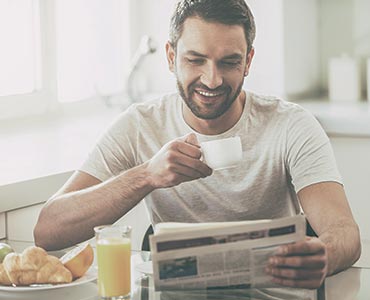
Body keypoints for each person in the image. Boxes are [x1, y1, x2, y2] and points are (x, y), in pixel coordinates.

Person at [34, 0, 361, 289]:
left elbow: (344, 232)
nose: (212, 80)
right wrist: (147, 175)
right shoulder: (141, 125)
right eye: (196, 60)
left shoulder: (290, 125)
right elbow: (48, 230)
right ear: (171, 56)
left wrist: (325, 255)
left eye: (229, 62)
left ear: (248, 61)